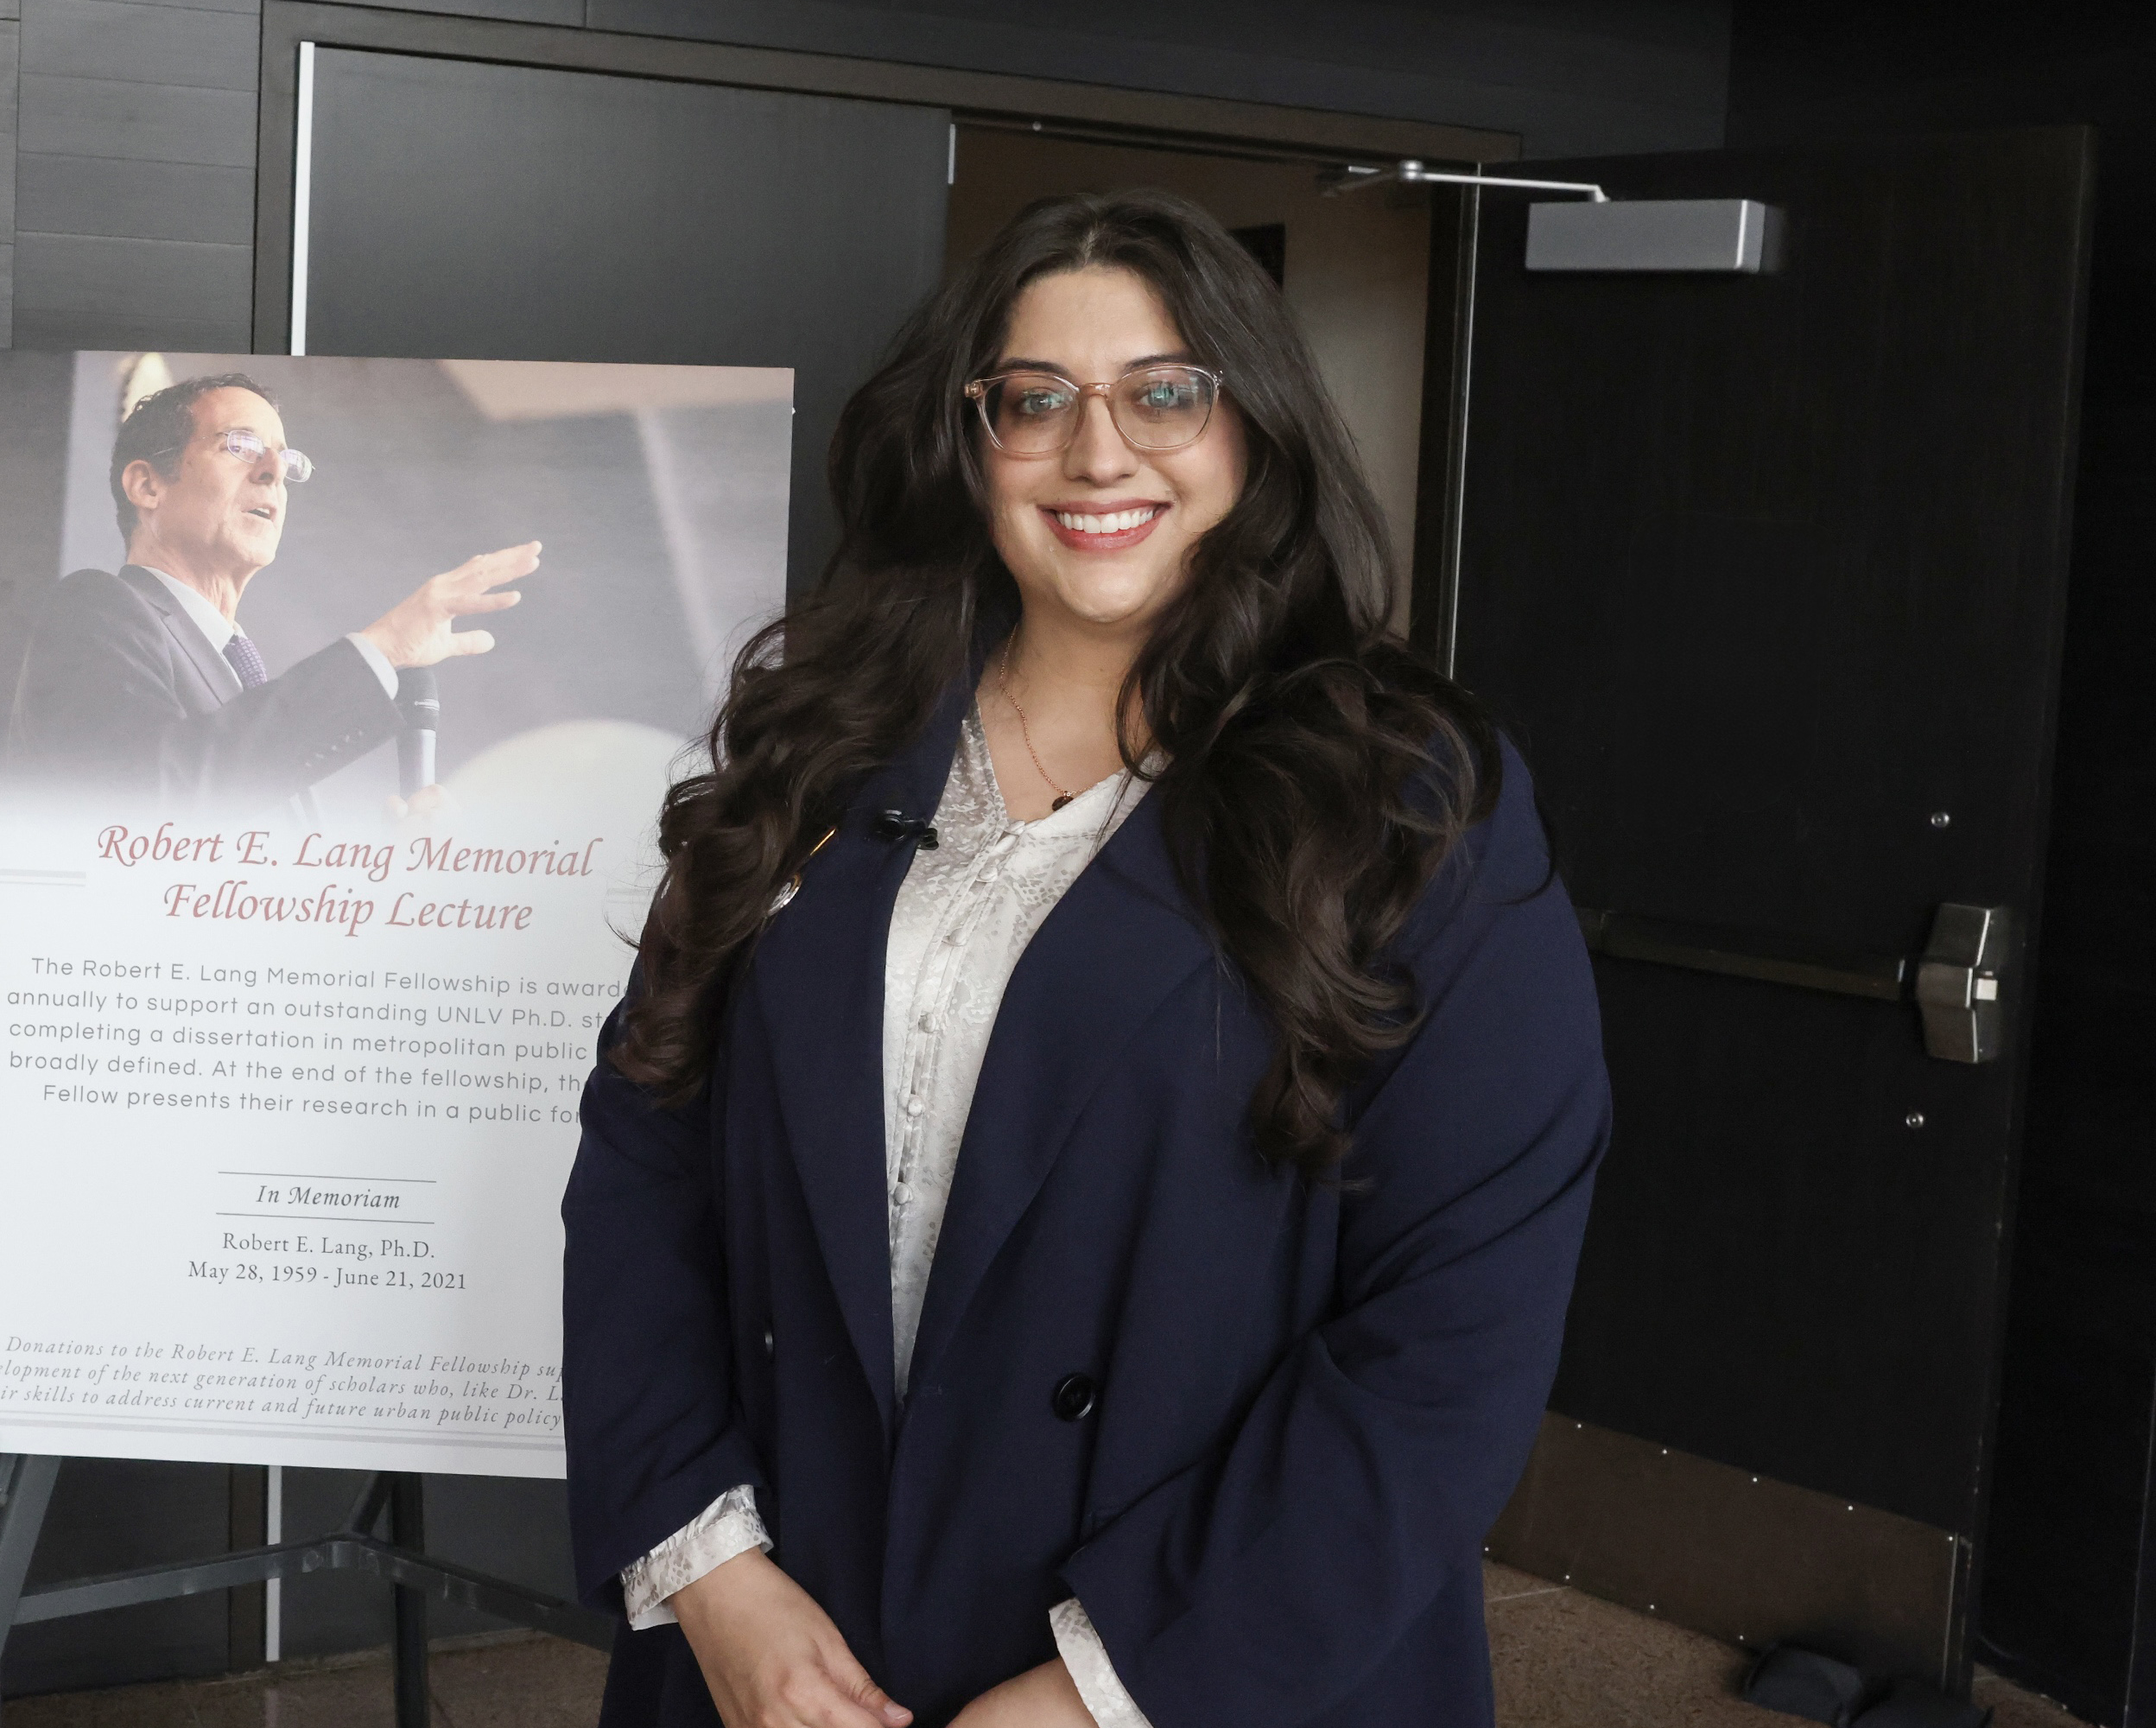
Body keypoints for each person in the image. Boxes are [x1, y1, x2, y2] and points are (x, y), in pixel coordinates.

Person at [561, 189, 1610, 1728]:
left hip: (1207, 1664)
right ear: (966, 440)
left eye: (1165, 391)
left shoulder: (1409, 802)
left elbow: (1450, 1336)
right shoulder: (823, 744)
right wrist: (708, 1573)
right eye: (1034, 399)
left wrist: (1106, 1689)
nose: (1098, 451)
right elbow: (643, 1153)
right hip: (792, 1649)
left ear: (1250, 428)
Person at [6, 372, 538, 807]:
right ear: (147, 485)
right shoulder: (98, 608)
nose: (273, 472)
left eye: (285, 459)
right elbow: (154, 795)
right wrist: (382, 649)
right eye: (241, 446)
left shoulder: (239, 682)